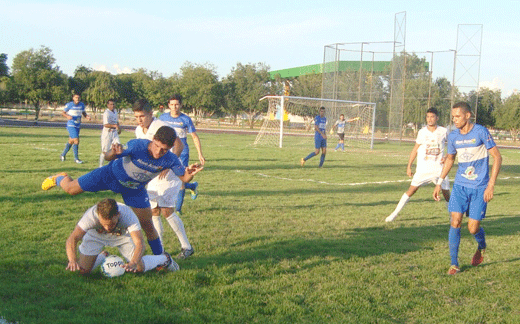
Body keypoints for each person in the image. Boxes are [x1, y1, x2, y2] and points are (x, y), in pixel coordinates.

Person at [42, 107, 204, 256]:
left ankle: (161, 258)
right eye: (157, 146)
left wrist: (190, 174)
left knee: (148, 224)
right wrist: (113, 153)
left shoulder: (170, 159)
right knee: (71, 189)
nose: (158, 152)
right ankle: (60, 178)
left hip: (134, 190)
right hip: (110, 175)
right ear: (153, 139)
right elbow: (107, 156)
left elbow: (183, 177)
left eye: (164, 150)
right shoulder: (138, 145)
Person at [433, 102, 502, 275]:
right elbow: (450, 159)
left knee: (472, 228)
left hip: (479, 188)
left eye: (457, 116)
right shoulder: (454, 136)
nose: (454, 120)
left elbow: (497, 157)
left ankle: (481, 245)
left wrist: (491, 184)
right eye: (453, 117)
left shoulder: (480, 132)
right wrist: (439, 182)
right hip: (460, 186)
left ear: (467, 115)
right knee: (455, 221)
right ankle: (454, 264)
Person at [134, 101, 195, 259]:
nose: (139, 120)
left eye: (142, 116)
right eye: (136, 117)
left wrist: (168, 164)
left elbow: (178, 144)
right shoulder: (138, 130)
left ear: (150, 114)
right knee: (153, 210)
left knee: (167, 210)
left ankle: (186, 247)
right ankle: (159, 250)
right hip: (153, 173)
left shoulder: (160, 125)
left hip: (168, 173)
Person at [65, 198, 179, 275]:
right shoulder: (90, 217)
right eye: (103, 224)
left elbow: (140, 243)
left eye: (111, 224)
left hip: (122, 236)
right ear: (98, 216)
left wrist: (133, 262)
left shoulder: (128, 215)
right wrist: (72, 260)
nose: (107, 228)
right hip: (96, 235)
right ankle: (103, 256)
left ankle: (165, 258)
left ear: (118, 215)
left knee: (138, 268)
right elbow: (72, 238)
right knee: (83, 271)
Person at [386, 107, 450, 222]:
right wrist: (409, 166)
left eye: (432, 117)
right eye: (428, 117)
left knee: (446, 194)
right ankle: (394, 214)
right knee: (411, 190)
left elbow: (452, 146)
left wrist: (447, 156)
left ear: (437, 118)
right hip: (423, 169)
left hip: (439, 169)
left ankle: (452, 217)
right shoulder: (422, 132)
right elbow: (415, 149)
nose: (429, 119)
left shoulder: (443, 131)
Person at [159, 94, 206, 214]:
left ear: (180, 105)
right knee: (166, 178)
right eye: (172, 104)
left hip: (182, 154)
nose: (174, 107)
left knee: (180, 181)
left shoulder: (185, 119)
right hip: (166, 152)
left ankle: (178, 210)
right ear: (168, 105)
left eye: (177, 104)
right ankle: (192, 186)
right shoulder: (162, 118)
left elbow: (194, 137)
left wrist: (200, 153)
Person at [60, 93, 91, 164]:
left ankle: (62, 155)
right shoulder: (70, 105)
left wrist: (87, 117)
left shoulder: (82, 105)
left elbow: (83, 112)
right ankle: (76, 159)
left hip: (78, 125)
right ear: (73, 98)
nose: (77, 99)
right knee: (76, 140)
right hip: (71, 124)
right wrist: (67, 116)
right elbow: (63, 113)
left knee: (71, 141)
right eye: (76, 98)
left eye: (78, 98)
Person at [99, 99, 121, 168]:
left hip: (114, 133)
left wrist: (119, 128)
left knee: (117, 148)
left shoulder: (115, 112)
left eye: (113, 104)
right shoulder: (106, 113)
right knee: (105, 151)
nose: (112, 106)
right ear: (108, 105)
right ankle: (100, 166)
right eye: (111, 104)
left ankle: (115, 166)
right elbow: (105, 125)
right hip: (107, 133)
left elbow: (116, 122)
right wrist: (115, 126)